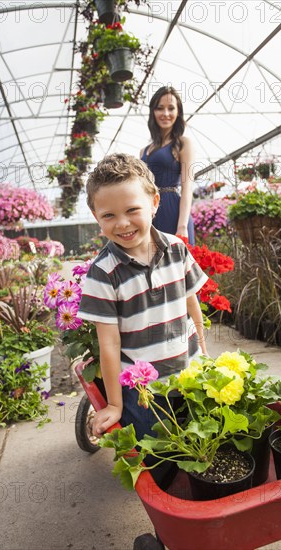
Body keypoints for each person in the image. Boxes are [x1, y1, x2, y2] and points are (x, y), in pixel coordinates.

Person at [78, 153, 208, 447]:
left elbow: (191, 304)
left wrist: (203, 352)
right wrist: (114, 405)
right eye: (109, 215)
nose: (122, 223)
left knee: (199, 445)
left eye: (132, 209)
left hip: (190, 377)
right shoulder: (103, 274)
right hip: (145, 392)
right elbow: (109, 345)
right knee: (158, 453)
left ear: (154, 204)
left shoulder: (177, 249)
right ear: (96, 217)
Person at [140, 86, 195, 244]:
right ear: (153, 112)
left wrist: (182, 226)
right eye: (160, 108)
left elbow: (187, 187)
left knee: (178, 265)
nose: (165, 114)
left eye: (171, 108)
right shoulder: (143, 151)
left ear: (178, 113)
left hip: (174, 212)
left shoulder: (183, 143)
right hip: (150, 212)